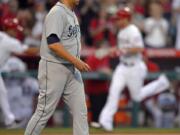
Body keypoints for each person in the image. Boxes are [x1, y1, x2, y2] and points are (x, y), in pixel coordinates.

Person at [24, 0, 91, 135]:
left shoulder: (71, 13)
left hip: (71, 68)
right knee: (44, 111)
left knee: (81, 112)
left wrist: (74, 62)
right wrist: (76, 61)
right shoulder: (57, 12)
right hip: (54, 66)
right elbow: (53, 43)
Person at [99, 7, 170, 131]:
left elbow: (139, 48)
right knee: (113, 92)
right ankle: (106, 121)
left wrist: (121, 50)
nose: (117, 21)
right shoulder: (121, 32)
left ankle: (161, 83)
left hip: (134, 67)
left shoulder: (133, 31)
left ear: (126, 19)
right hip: (122, 67)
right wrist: (114, 50)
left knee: (137, 97)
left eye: (119, 19)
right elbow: (122, 49)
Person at [0, 17, 33, 128]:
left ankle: (9, 120)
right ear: (8, 29)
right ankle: (9, 119)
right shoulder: (9, 41)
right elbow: (27, 51)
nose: (15, 32)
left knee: (2, 92)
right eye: (13, 30)